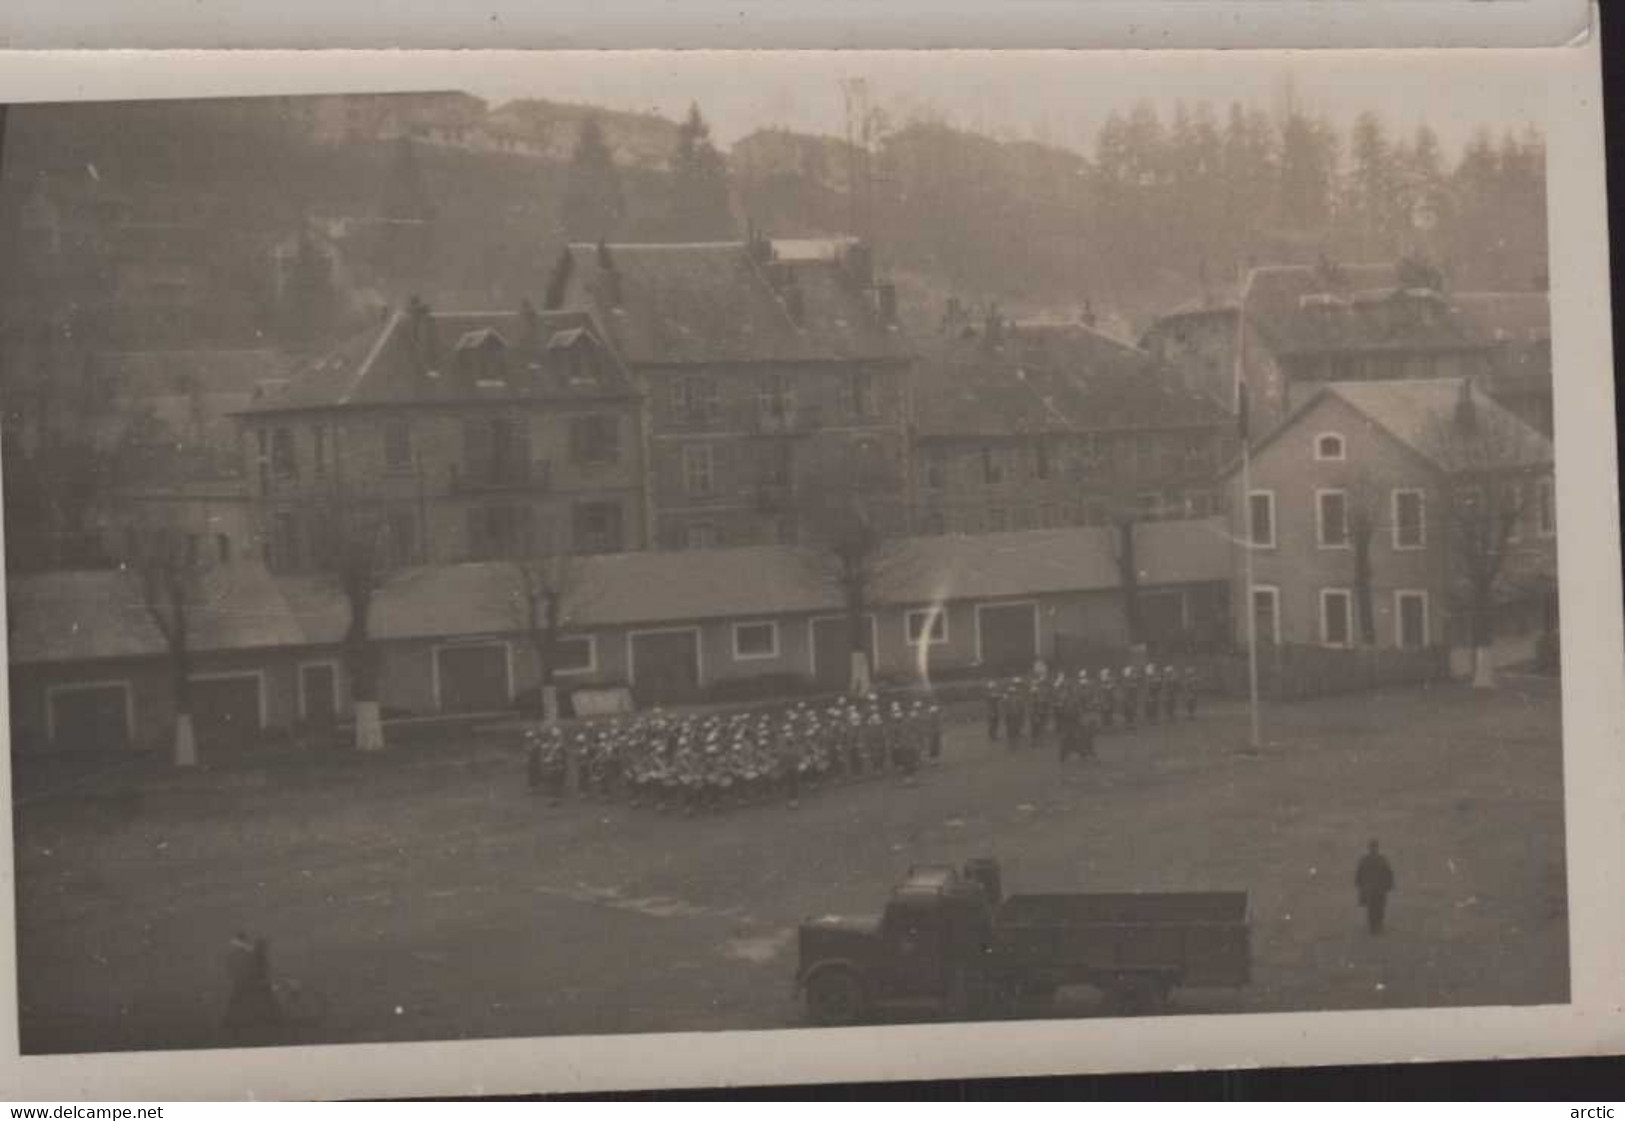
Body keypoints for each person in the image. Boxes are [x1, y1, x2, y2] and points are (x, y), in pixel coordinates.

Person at [1355, 840, 1396, 934]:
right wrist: (1390, 885)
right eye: (1373, 847)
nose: (1373, 849)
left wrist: (1359, 884)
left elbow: (1388, 873)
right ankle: (1376, 926)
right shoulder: (1380, 859)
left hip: (1375, 889)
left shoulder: (1367, 860)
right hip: (1376, 889)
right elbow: (1388, 873)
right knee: (1376, 908)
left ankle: (1375, 926)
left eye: (1374, 847)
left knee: (1376, 908)